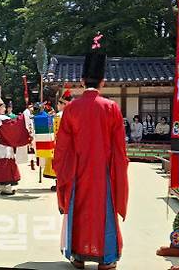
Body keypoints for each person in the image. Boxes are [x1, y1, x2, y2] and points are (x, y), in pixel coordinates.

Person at [53, 51, 129, 270]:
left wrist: (63, 171)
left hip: (77, 171)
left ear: (81, 81)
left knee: (78, 209)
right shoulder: (111, 107)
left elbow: (63, 147)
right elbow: (119, 148)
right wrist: (119, 169)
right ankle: (106, 258)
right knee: (104, 210)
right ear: (103, 82)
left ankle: (78, 256)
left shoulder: (71, 109)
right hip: (103, 171)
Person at [0, 98, 27, 196]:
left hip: (2, 143)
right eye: (3, 107)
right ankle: (5, 186)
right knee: (4, 165)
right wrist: (22, 118)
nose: (5, 109)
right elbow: (10, 128)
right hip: (2, 143)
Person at [43, 88, 73, 191]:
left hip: (58, 143)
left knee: (58, 163)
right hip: (69, 144)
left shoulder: (57, 116)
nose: (57, 106)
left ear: (63, 105)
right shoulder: (72, 115)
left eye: (59, 104)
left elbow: (51, 129)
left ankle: (59, 183)